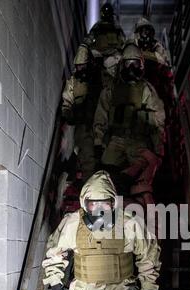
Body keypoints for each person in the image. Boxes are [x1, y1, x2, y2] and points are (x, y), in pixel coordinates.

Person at [93, 41, 166, 208]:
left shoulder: (147, 90)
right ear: (122, 64)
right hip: (116, 138)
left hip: (139, 141)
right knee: (105, 174)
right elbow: (101, 116)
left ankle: (136, 207)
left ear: (141, 65)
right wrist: (98, 143)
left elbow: (158, 121)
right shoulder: (111, 89)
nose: (132, 68)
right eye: (128, 63)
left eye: (136, 64)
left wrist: (158, 149)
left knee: (142, 178)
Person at [61, 3, 125, 182]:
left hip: (101, 124)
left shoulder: (116, 30)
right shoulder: (82, 79)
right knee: (87, 150)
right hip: (86, 121)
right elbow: (89, 40)